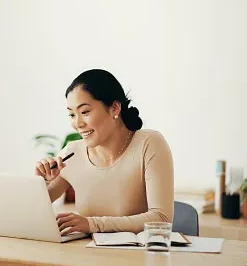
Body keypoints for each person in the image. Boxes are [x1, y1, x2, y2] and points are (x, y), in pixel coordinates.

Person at [35, 69, 174, 235]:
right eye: (72, 114)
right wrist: (41, 182)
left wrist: (92, 224)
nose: (77, 123)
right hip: (87, 255)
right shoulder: (72, 153)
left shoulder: (149, 144)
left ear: (114, 108)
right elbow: (32, 209)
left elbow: (161, 218)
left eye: (84, 112)